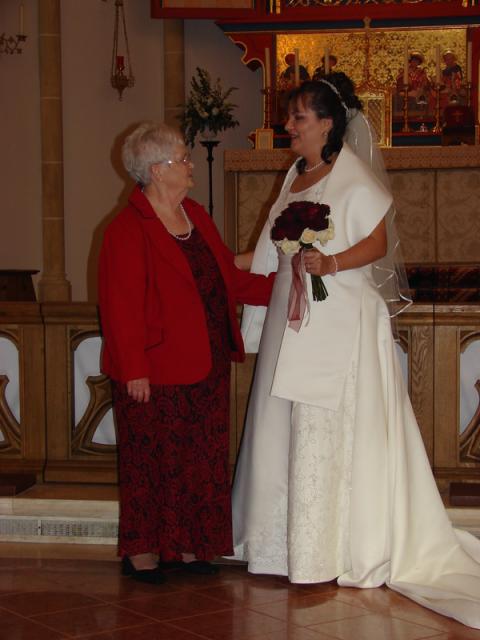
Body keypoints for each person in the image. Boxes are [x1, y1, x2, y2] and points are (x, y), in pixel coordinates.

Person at [230, 78, 480, 628]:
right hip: (294, 318)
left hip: (340, 320)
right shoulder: (294, 176)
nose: (289, 127)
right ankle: (280, 546)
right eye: (289, 117)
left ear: (326, 123)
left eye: (298, 118)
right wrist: (218, 262)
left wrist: (331, 263)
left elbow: (377, 243)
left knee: (328, 425)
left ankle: (332, 547)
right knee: (282, 421)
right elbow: (271, 250)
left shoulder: (353, 176)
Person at [98, 122, 274, 584]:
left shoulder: (194, 214)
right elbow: (120, 307)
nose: (190, 164)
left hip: (207, 363)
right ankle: (142, 553)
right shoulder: (127, 229)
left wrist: (285, 287)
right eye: (182, 158)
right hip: (155, 369)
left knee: (199, 460)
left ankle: (192, 546)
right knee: (150, 464)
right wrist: (133, 368)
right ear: (157, 170)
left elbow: (228, 278)